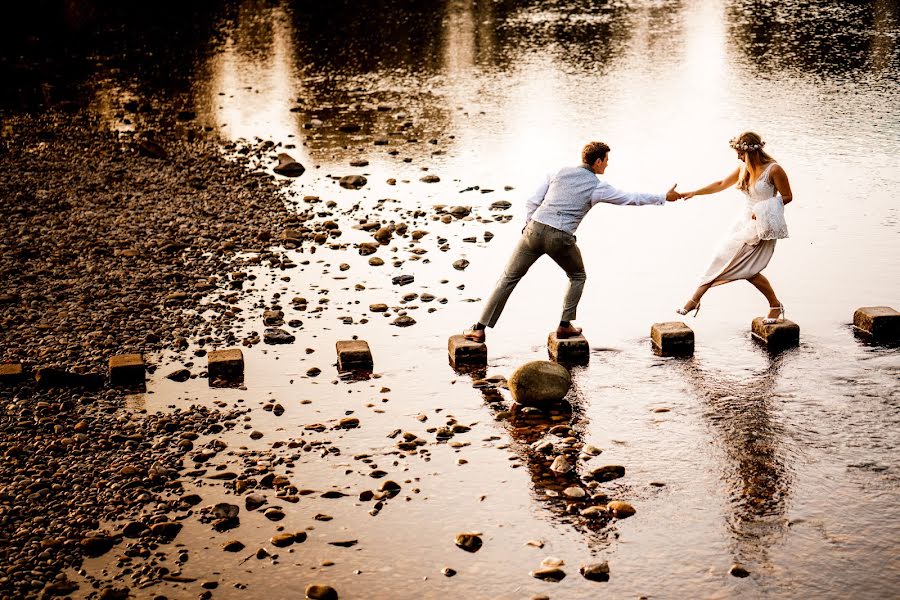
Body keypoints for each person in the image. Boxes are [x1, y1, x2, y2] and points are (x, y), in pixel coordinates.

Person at [463, 141, 682, 343]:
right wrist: (663, 197)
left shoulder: (557, 172)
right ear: (597, 161)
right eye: (606, 160)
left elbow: (532, 201)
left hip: (534, 230)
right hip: (561, 238)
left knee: (508, 278)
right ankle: (564, 325)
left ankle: (479, 328)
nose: (607, 165)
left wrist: (528, 225)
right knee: (578, 276)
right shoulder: (598, 187)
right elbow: (630, 198)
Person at [677, 131, 793, 323]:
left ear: (751, 151)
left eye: (740, 152)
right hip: (743, 222)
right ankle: (775, 305)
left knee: (734, 263)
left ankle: (694, 299)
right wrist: (694, 192)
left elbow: (787, 197)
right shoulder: (743, 168)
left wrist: (763, 209)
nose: (738, 156)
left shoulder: (774, 170)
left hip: (761, 224)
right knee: (738, 264)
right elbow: (721, 184)